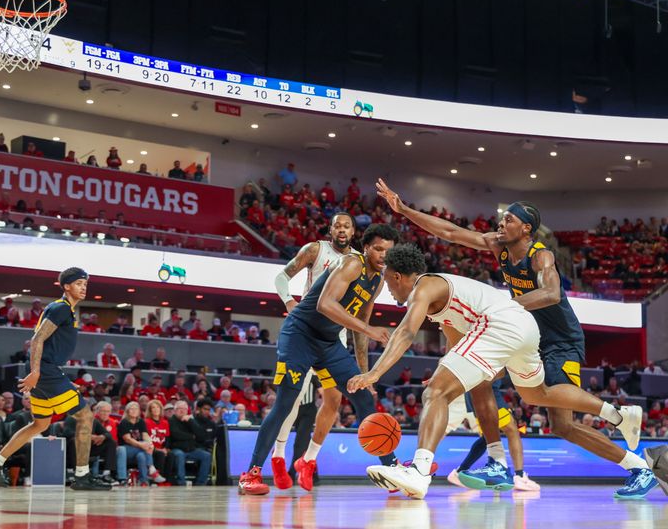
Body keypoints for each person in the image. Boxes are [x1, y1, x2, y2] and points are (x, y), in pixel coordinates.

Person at [374, 179, 656, 498]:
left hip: (560, 339)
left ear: (526, 229)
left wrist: (504, 305)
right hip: (520, 332)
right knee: (480, 381)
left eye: (509, 218)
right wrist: (403, 209)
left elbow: (550, 293)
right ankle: (496, 460)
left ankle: (627, 437)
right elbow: (450, 232)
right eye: (502, 217)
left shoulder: (541, 256)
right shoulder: (498, 246)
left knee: (561, 424)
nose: (501, 222)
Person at [238, 224, 399, 495]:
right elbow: (325, 304)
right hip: (300, 334)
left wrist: (365, 374)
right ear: (367, 247)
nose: (383, 255)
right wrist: (369, 329)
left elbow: (360, 326)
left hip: (327, 343)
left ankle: (392, 469)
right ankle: (251, 473)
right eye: (379, 249)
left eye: (388, 251)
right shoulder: (351, 264)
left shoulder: (378, 280)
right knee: (286, 402)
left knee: (363, 397)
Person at [0, 267, 111, 490]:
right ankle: (81, 476)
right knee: (86, 417)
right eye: (79, 283)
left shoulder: (64, 309)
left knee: (40, 423)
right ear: (66, 286)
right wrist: (37, 372)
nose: (83, 287)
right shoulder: (60, 308)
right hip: (46, 371)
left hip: (48, 371)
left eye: (85, 283)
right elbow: (37, 340)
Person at [269, 212, 361, 489]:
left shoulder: (359, 261)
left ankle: (308, 460)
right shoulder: (315, 249)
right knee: (293, 400)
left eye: (346, 226)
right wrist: (288, 302)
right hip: (306, 332)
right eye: (337, 225)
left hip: (336, 336)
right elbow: (281, 277)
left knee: (334, 400)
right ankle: (278, 456)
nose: (341, 229)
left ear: (353, 232)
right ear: (331, 229)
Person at [446, 379, 540, 492]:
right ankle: (519, 477)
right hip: (487, 390)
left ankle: (459, 472)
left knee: (488, 436)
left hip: (474, 392)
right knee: (512, 430)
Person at [117, 401, 166, 486]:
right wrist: (143, 445)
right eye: (131, 409)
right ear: (127, 411)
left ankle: (143, 480)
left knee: (142, 455)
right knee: (143, 448)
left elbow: (145, 435)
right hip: (127, 450)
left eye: (136, 409)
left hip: (140, 450)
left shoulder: (141, 422)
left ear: (139, 411)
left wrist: (150, 443)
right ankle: (151, 468)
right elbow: (128, 439)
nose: (134, 410)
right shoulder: (124, 422)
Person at [168, 400, 211, 486]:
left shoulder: (190, 421)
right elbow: (176, 435)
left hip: (191, 449)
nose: (182, 411)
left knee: (206, 456)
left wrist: (191, 421)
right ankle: (181, 482)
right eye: (179, 408)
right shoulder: (171, 420)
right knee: (180, 455)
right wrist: (191, 436)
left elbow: (201, 435)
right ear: (175, 410)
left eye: (184, 409)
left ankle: (200, 483)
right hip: (176, 448)